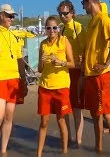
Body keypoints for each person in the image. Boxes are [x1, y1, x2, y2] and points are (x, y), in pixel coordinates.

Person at [0, 4, 28, 157]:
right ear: (0, 15)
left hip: (14, 79)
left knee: (9, 117)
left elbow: (19, 60)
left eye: (13, 15)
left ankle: (3, 150)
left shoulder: (15, 36)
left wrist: (24, 81)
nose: (12, 18)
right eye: (9, 15)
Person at [81, 0, 110, 156]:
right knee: (95, 115)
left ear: (90, 1)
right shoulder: (92, 21)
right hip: (90, 75)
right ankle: (98, 149)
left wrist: (106, 63)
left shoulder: (103, 19)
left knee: (107, 114)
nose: (83, 7)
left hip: (99, 76)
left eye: (83, 4)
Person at [37, 16, 75, 156]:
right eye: (48, 28)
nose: (52, 30)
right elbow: (40, 69)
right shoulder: (43, 44)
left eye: (54, 27)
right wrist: (41, 61)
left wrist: (60, 61)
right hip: (45, 87)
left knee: (61, 120)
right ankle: (39, 153)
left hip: (61, 87)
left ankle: (64, 151)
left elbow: (72, 63)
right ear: (45, 30)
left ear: (58, 29)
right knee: (44, 122)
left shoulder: (64, 41)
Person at [57, 0, 85, 146]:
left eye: (65, 13)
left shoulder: (78, 27)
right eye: (60, 13)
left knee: (76, 108)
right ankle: (67, 137)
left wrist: (82, 64)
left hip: (77, 71)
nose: (63, 16)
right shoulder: (61, 30)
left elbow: (86, 47)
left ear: (72, 13)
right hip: (64, 71)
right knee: (64, 107)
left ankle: (78, 140)